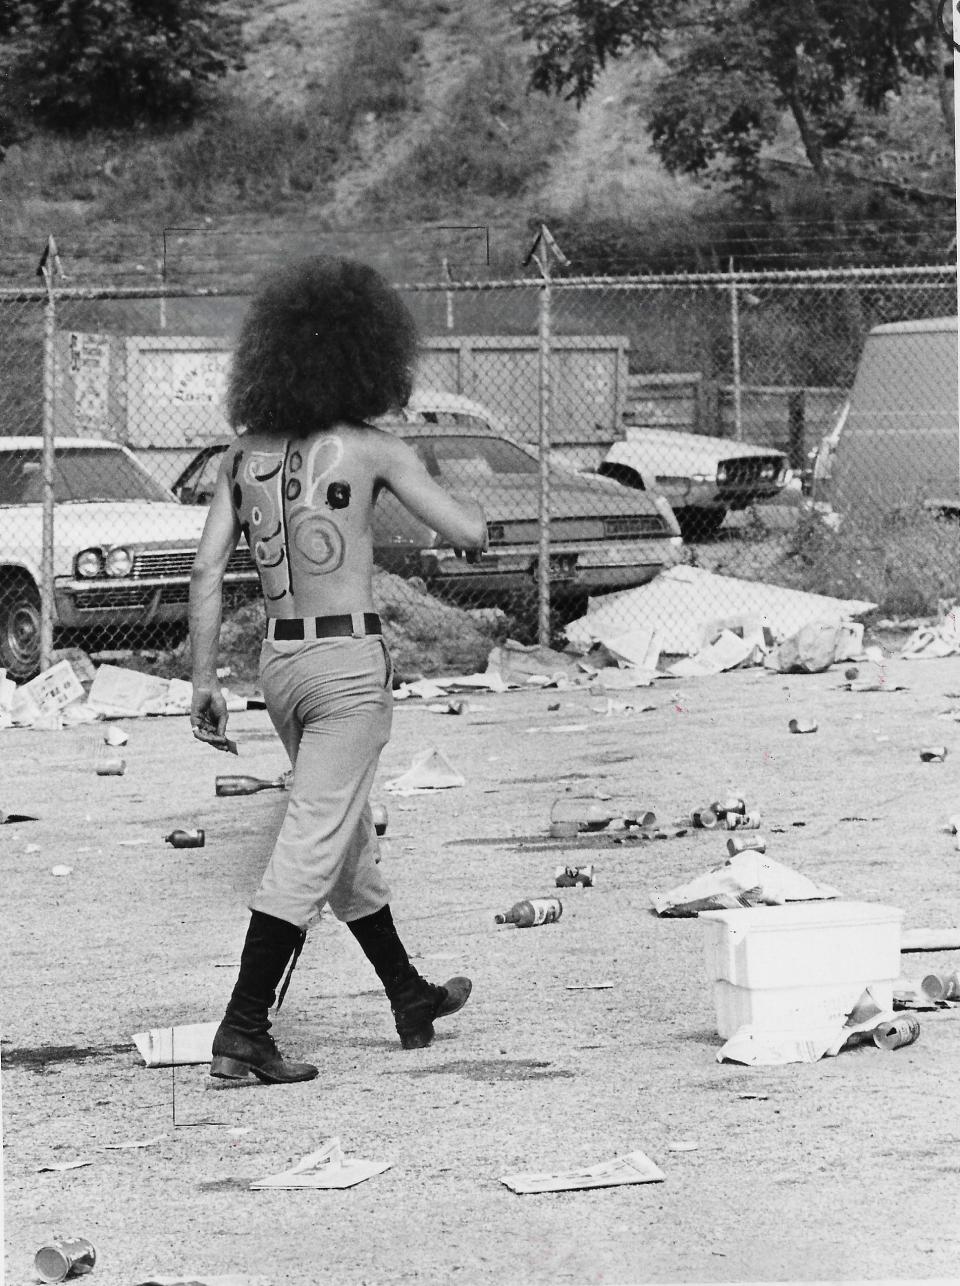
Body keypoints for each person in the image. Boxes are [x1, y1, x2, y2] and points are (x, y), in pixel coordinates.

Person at [188, 255, 488, 1084]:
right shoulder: (372, 449)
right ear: (368, 355)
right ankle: (244, 1027)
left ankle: (409, 995)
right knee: (311, 843)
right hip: (348, 663)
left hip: (278, 664)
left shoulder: (239, 456)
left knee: (345, 840)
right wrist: (468, 493)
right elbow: (468, 535)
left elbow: (207, 572)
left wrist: (203, 682)